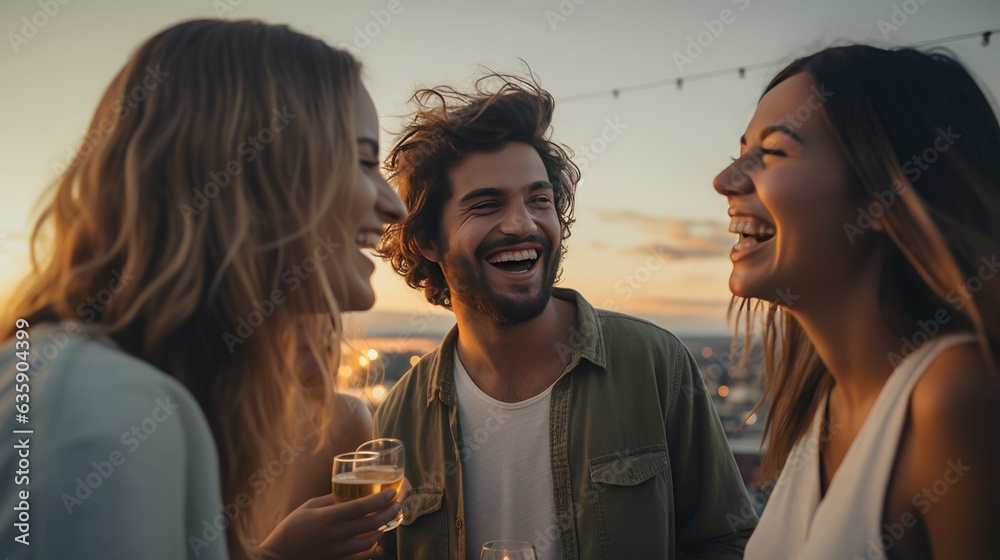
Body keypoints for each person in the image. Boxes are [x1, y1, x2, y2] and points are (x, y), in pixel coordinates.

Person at [0, 19, 407, 559]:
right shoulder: (101, 412)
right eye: (361, 160)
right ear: (255, 173)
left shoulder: (134, 392)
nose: (394, 206)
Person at [372, 73, 756, 559]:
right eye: (487, 205)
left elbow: (726, 541)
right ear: (429, 240)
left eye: (539, 200)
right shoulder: (398, 418)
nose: (522, 224)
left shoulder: (655, 366)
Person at [712, 45, 1000, 560]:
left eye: (774, 152)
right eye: (740, 152)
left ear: (883, 195)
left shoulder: (953, 395)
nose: (726, 181)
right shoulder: (825, 407)